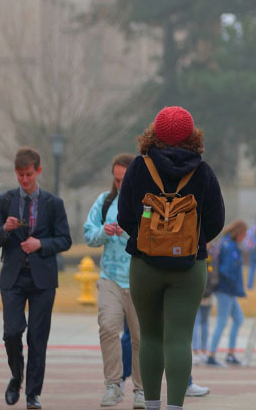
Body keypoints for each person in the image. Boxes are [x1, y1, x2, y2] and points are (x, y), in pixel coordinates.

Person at [117, 106, 225, 410]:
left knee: (150, 336)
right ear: (192, 135)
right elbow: (216, 220)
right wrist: (192, 240)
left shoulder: (139, 167)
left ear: (155, 132)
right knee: (179, 339)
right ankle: (176, 405)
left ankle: (151, 403)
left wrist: (148, 237)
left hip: (144, 265)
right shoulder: (203, 171)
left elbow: (125, 216)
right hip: (189, 267)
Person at [0, 147, 72, 409]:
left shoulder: (53, 203)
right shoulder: (5, 201)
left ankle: (32, 394)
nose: (24, 180)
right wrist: (5, 228)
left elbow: (65, 240)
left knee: (38, 338)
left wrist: (41, 244)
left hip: (43, 280)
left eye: (28, 174)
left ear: (38, 171)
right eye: (19, 175)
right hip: (13, 278)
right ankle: (17, 376)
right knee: (11, 332)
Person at [84, 153, 144, 408]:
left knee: (141, 337)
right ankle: (113, 385)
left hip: (140, 279)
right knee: (108, 328)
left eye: (124, 179)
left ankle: (142, 390)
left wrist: (128, 231)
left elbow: (152, 237)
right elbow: (89, 236)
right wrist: (103, 231)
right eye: (116, 180)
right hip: (110, 279)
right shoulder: (105, 202)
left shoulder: (146, 202)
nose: (120, 185)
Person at [205, 220, 247, 365]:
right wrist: (235, 285)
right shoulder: (230, 247)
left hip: (228, 290)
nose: (245, 237)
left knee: (238, 319)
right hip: (226, 290)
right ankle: (211, 354)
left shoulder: (225, 243)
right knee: (221, 321)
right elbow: (226, 269)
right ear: (239, 233)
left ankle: (230, 353)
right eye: (244, 234)